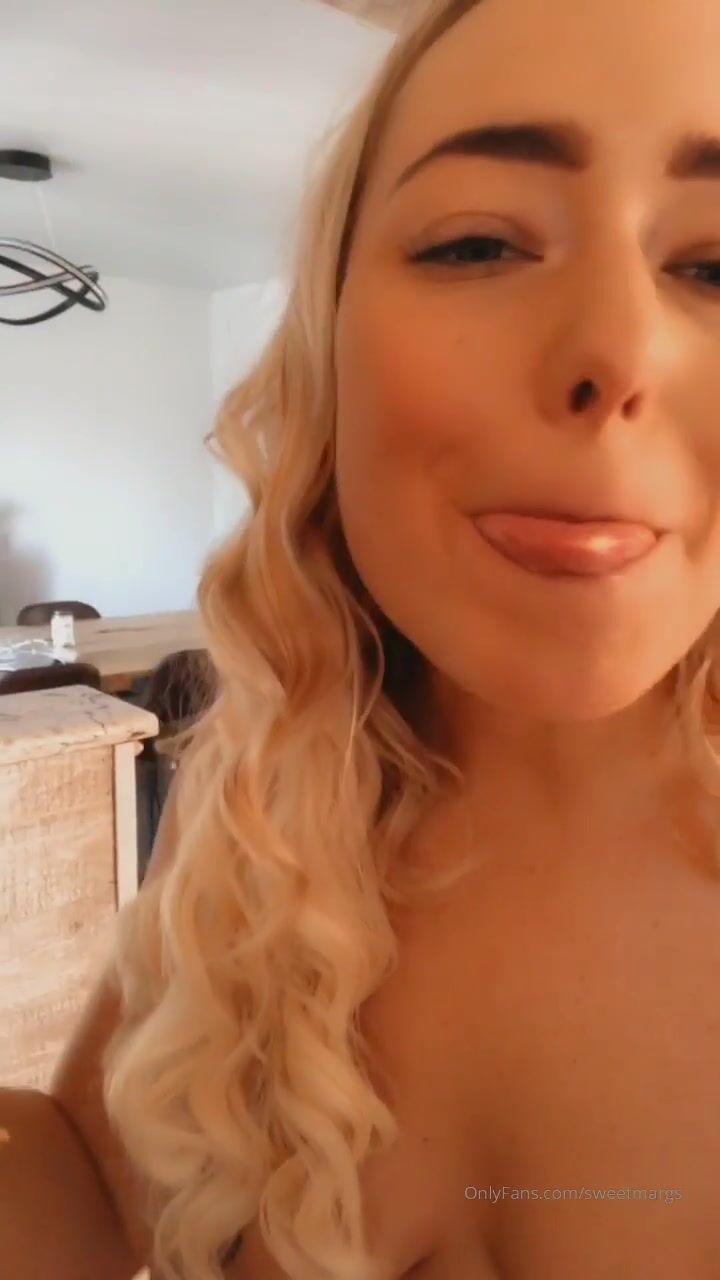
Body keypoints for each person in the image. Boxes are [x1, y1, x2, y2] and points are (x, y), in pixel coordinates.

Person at [4, 0, 720, 1274]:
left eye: (716, 269)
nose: (615, 349)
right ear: (327, 345)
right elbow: (94, 1186)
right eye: (479, 243)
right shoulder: (265, 795)